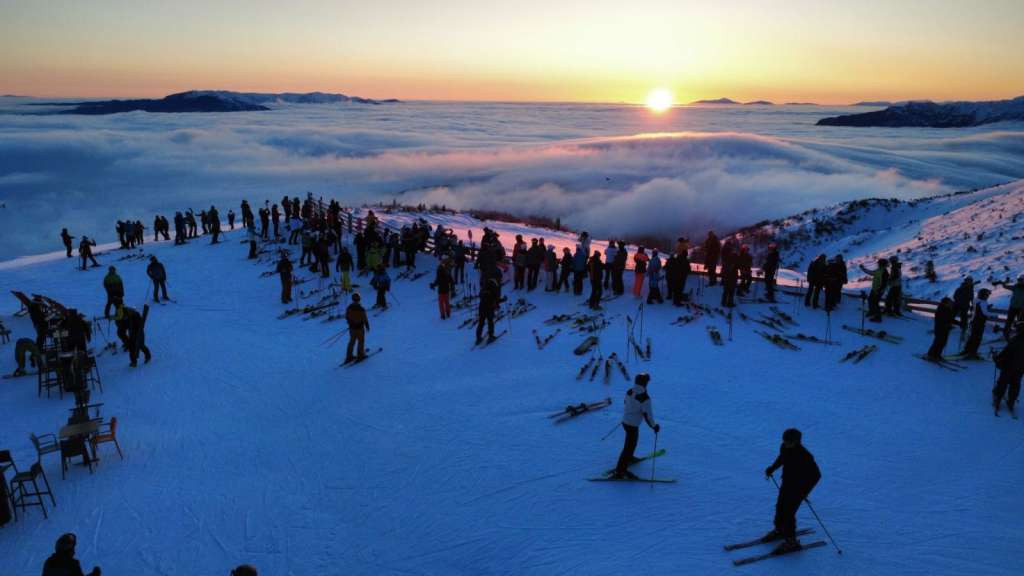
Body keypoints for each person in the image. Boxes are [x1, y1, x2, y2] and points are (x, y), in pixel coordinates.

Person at [763, 428, 821, 553]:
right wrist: (772, 468)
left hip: (798, 489)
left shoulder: (805, 456)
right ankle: (779, 530)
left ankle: (792, 542)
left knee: (789, 513)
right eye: (784, 440)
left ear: (796, 442)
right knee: (780, 507)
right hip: (786, 484)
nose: (785, 443)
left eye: (788, 441)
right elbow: (782, 458)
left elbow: (816, 475)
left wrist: (805, 492)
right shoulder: (784, 447)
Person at [613, 373, 660, 479]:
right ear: (645, 383)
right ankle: (620, 471)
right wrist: (654, 426)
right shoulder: (645, 398)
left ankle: (629, 458)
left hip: (625, 422)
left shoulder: (629, 391)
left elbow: (625, 402)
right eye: (647, 382)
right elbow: (648, 416)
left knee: (632, 443)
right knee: (628, 447)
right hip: (633, 425)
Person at [993, 322, 1024, 416]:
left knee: (1003, 382)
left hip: (1008, 366)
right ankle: (1011, 401)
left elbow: (1005, 353)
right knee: (1015, 383)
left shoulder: (1014, 341)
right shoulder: (1015, 340)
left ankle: (998, 398)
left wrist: (997, 358)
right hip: (1020, 368)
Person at [960, 287, 991, 359]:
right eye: (987, 295)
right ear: (984, 295)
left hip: (974, 321)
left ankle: (967, 350)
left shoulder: (976, 300)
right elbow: (984, 313)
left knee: (972, 337)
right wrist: (993, 315)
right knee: (977, 338)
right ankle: (972, 352)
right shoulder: (983, 302)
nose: (988, 296)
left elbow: (977, 309)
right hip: (979, 322)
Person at [344, 293, 369, 363]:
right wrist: (367, 326)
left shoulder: (349, 307)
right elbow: (365, 318)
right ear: (359, 299)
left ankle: (349, 356)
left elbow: (346, 316)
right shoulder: (361, 308)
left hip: (352, 328)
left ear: (352, 299)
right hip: (359, 328)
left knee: (352, 341)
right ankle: (360, 355)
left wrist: (350, 323)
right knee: (361, 341)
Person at [476, 277, 501, 345]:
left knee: (481, 322)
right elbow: (496, 299)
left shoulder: (484, 288)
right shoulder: (494, 288)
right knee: (490, 322)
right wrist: (499, 303)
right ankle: (491, 336)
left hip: (481, 307)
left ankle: (478, 338)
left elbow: (480, 295)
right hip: (489, 308)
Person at [1002, 275, 1023, 340]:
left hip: (1021, 308)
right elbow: (1005, 286)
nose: (1019, 281)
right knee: (1009, 321)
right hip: (1013, 307)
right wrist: (1005, 282)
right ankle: (1006, 334)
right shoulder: (1015, 287)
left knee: (1020, 322)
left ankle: (1019, 336)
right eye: (1019, 280)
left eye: (1021, 280)